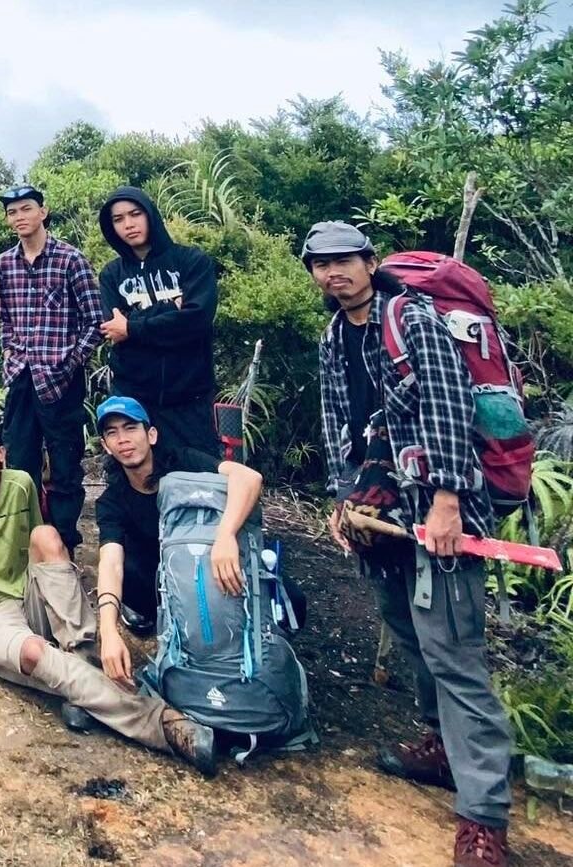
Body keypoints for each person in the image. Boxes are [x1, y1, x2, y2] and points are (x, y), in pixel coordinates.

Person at [306, 221, 511, 867]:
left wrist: (449, 500)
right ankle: (442, 749)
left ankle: (484, 818)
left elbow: (449, 406)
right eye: (321, 264)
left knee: (453, 653)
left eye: (344, 260)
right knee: (409, 633)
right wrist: (343, 498)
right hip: (379, 511)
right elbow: (337, 422)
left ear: (370, 262)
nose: (334, 272)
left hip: (434, 506)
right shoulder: (334, 336)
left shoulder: (411, 319)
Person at [0, 415, 217, 776]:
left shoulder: (21, 484)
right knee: (35, 652)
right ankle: (163, 723)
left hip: (29, 594)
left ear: (2, 452)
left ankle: (82, 656)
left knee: (47, 536)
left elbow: (43, 553)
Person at [93, 397, 264, 649]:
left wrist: (226, 534)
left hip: (204, 564)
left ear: (151, 435)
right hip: (153, 582)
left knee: (292, 602)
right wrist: (108, 630)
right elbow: (110, 563)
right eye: (112, 433)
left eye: (130, 428)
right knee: (124, 568)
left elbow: (248, 478)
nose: (123, 439)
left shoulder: (183, 462)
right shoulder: (111, 501)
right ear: (105, 445)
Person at [0, 185, 105, 554]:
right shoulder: (4, 264)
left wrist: (71, 362)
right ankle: (27, 545)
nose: (19, 217)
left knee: (65, 466)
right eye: (12, 212)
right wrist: (11, 353)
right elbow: (5, 318)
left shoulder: (70, 259)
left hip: (61, 380)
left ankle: (64, 547)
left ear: (43, 212)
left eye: (26, 209)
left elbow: (95, 321)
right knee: (19, 465)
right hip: (21, 376)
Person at [97, 187, 220, 455]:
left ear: (150, 215)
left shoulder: (191, 261)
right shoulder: (111, 275)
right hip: (134, 399)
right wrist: (170, 308)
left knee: (199, 473)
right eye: (118, 219)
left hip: (190, 398)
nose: (128, 224)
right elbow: (113, 329)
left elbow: (196, 320)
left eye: (135, 214)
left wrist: (132, 327)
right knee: (135, 474)